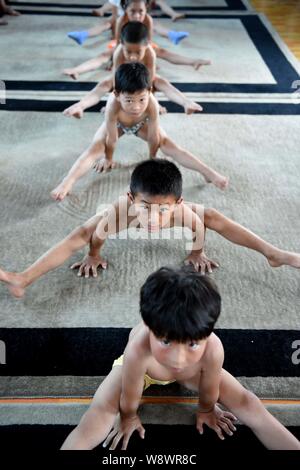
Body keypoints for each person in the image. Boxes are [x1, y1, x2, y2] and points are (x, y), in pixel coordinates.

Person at [60, 266, 300, 450]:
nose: (177, 357)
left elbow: (210, 385)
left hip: (193, 374)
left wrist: (206, 409)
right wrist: (128, 416)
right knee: (101, 410)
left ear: (207, 333)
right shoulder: (138, 348)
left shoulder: (213, 348)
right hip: (142, 373)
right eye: (166, 341)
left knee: (248, 402)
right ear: (150, 326)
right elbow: (130, 390)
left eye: (193, 344)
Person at [0, 159, 299, 299]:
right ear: (133, 200)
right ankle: (24, 277)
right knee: (81, 232)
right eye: (147, 208)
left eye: (163, 210)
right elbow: (99, 233)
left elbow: (196, 224)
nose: (154, 219)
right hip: (117, 213)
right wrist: (93, 255)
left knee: (214, 216)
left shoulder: (181, 211)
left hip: (174, 205)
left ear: (177, 202)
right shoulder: (122, 210)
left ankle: (272, 253)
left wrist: (198, 251)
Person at [58, 63, 223, 199]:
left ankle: (208, 172)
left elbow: (153, 136)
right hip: (117, 125)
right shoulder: (112, 105)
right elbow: (112, 138)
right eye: (129, 100)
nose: (136, 106)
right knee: (95, 148)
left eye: (141, 99)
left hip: (142, 124)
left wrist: (152, 158)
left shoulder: (151, 103)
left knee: (169, 145)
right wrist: (108, 158)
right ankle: (67, 182)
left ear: (150, 91)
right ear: (116, 94)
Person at [63, 22, 206, 116]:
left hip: (142, 77)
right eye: (128, 52)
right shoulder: (118, 52)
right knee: (104, 84)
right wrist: (113, 104)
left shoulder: (150, 52)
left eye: (138, 52)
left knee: (162, 82)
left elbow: (149, 82)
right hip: (124, 76)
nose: (132, 57)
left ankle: (186, 102)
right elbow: (116, 82)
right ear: (121, 44)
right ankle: (81, 105)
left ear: (147, 45)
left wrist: (152, 104)